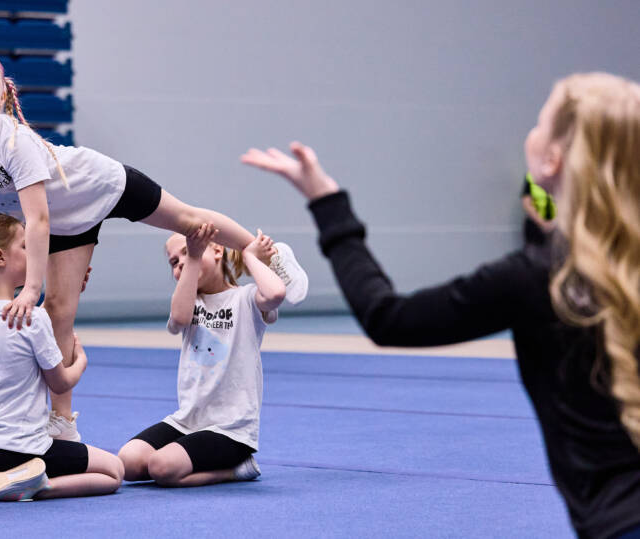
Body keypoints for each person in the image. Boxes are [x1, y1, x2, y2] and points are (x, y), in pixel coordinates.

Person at [241, 73, 640, 539]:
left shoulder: (535, 278)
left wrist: (327, 203)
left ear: (552, 158)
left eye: (539, 122)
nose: (530, 132)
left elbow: (388, 317)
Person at [0, 48, 308, 442]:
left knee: (188, 219)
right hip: (62, 223)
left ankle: (267, 252)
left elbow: (37, 220)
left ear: (4, 92)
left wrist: (30, 287)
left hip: (100, 185)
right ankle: (62, 422)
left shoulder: (13, 141)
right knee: (57, 310)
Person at [0, 212, 124, 501]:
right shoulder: (33, 319)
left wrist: (71, 285)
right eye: (25, 246)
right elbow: (60, 383)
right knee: (113, 472)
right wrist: (80, 361)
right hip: (21, 449)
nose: (33, 253)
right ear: (0, 257)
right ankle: (35, 485)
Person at [117, 223, 285, 486]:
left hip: (230, 429)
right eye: (174, 261)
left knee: (162, 469)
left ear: (217, 251)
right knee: (128, 463)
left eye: (188, 252)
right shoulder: (189, 302)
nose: (181, 263)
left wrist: (251, 256)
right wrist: (194, 257)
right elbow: (180, 318)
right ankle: (186, 459)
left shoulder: (246, 299)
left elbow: (276, 293)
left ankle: (237, 469)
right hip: (188, 421)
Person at [521, 171, 556, 245]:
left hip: (558, 227)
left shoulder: (562, 176)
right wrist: (543, 223)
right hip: (535, 226)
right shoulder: (531, 176)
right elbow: (526, 202)